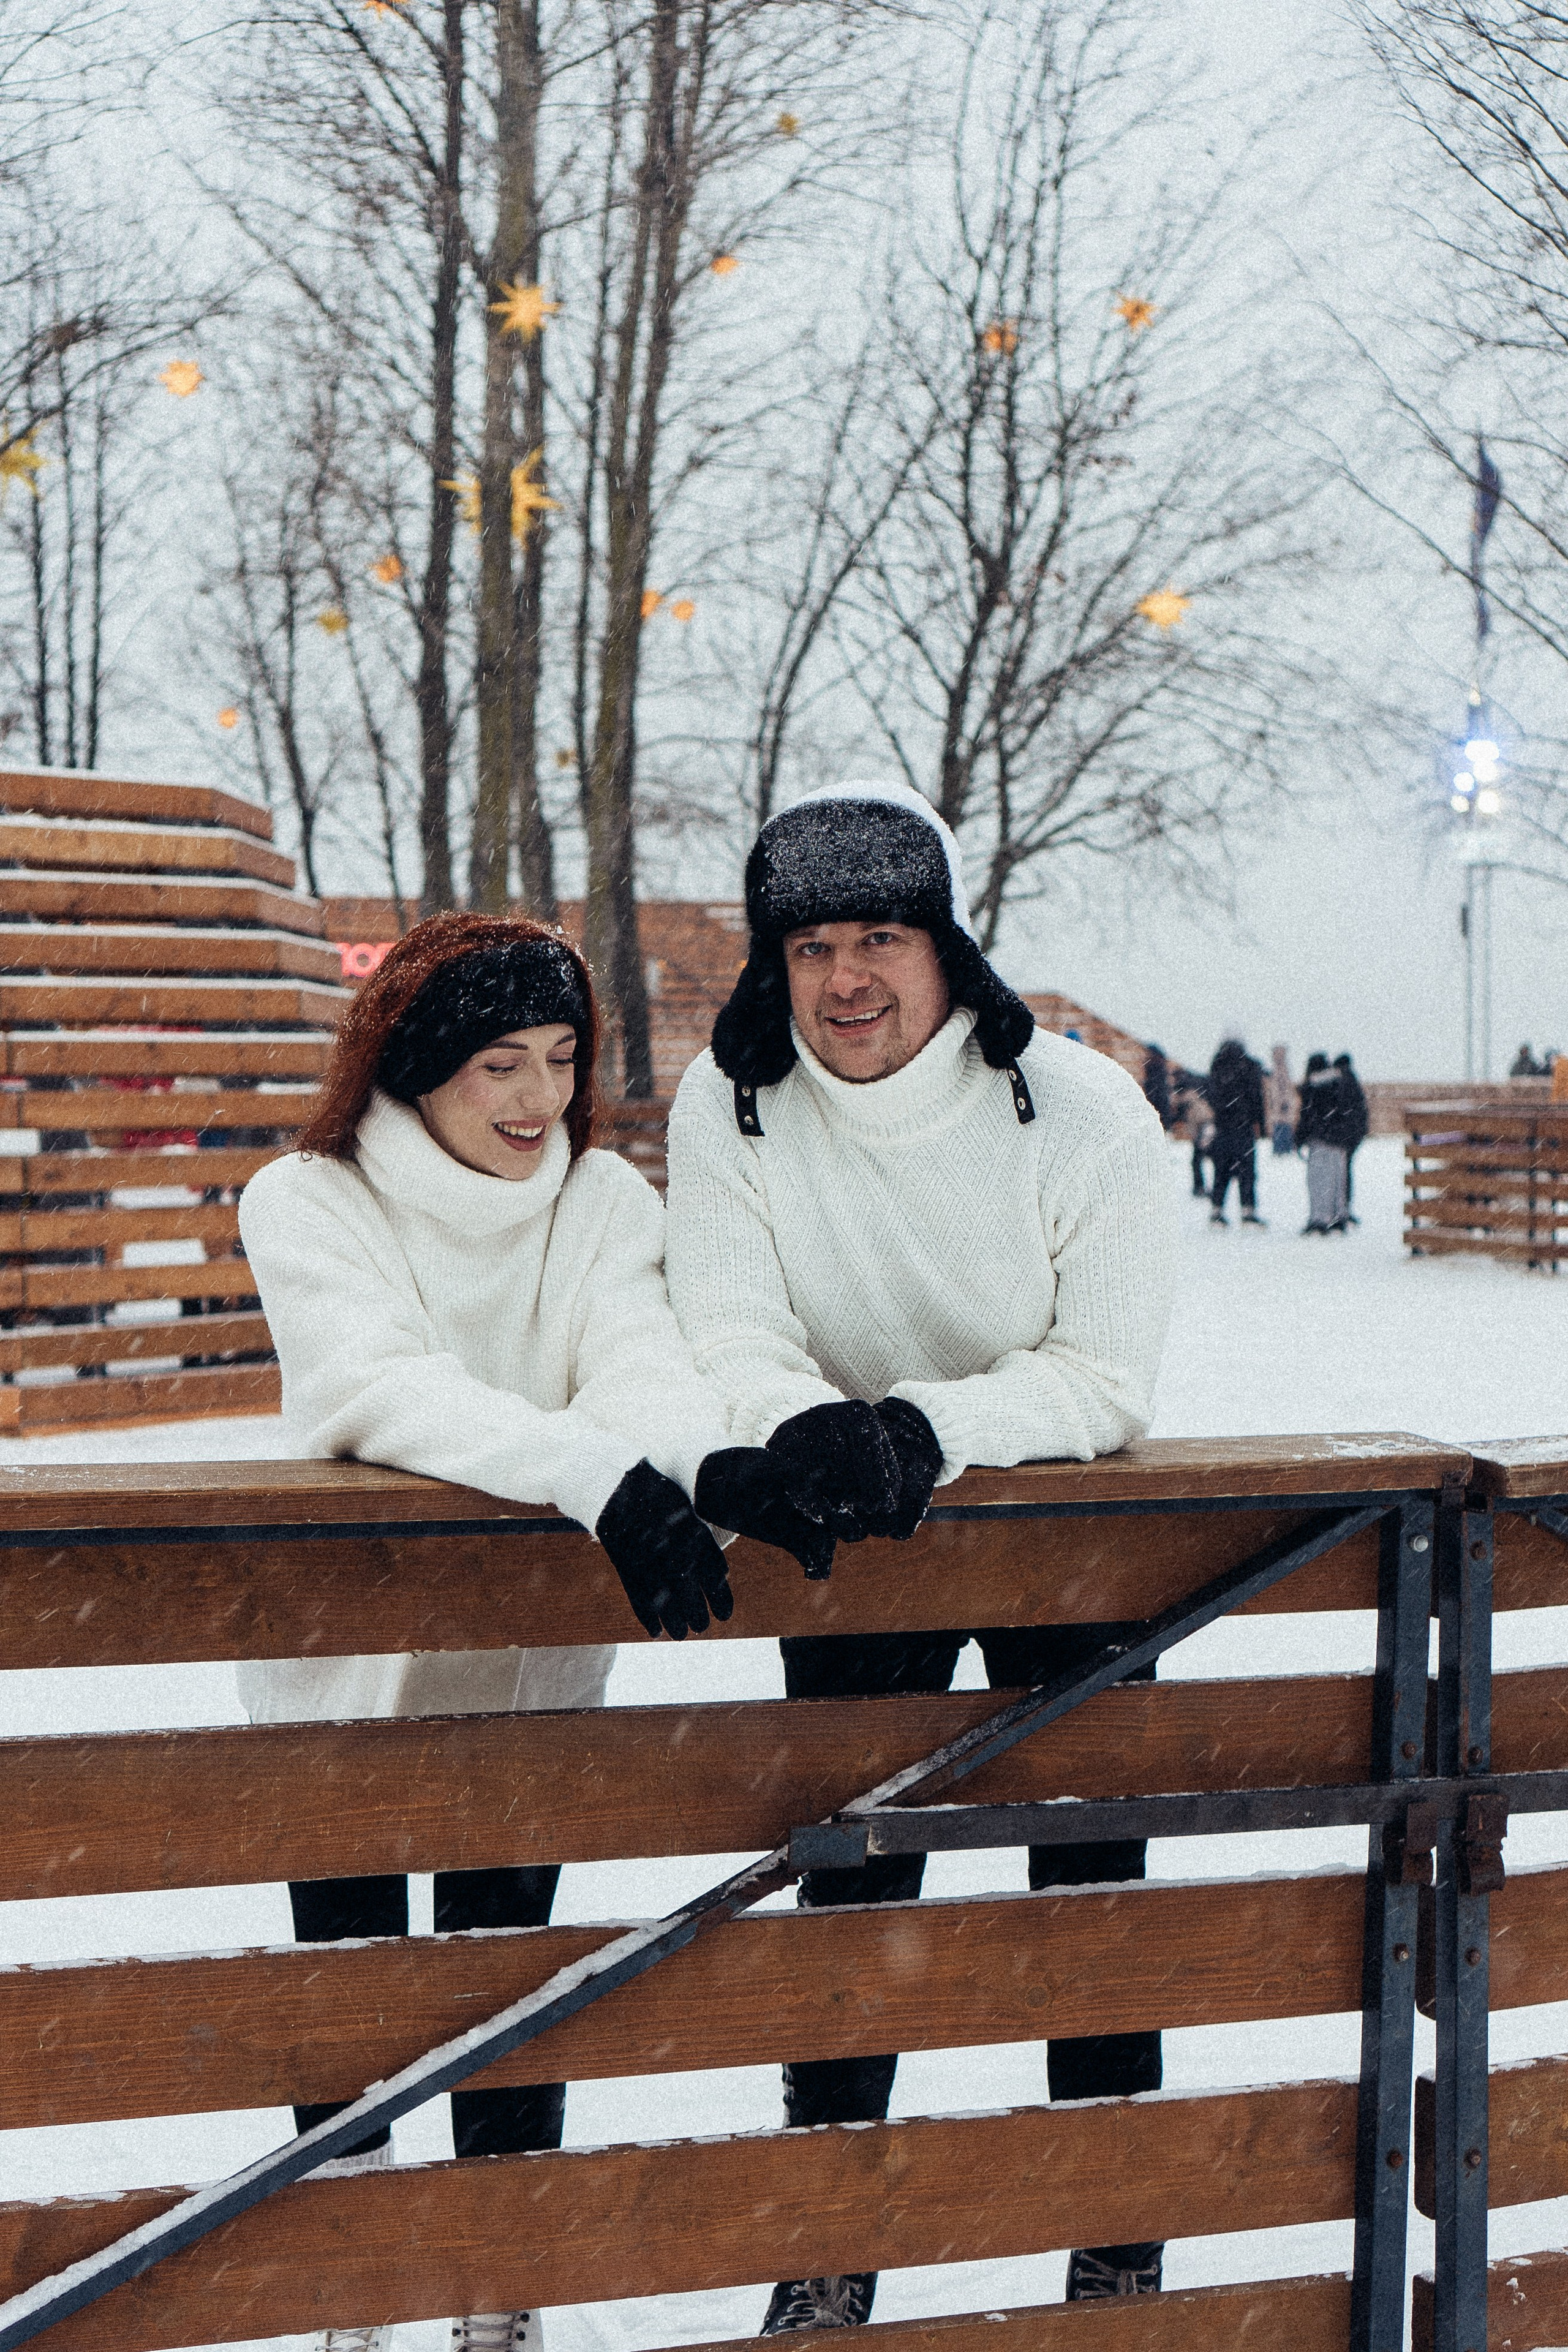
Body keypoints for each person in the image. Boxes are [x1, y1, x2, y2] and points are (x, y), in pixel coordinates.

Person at [238, 911, 827, 2352]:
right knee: (356, 1992)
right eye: (499, 1062)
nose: (535, 1099)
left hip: (524, 1677)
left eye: (561, 1059)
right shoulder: (307, 1198)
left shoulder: (601, 1205)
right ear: (420, 1064)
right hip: (345, 1681)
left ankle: (499, 2294)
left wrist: (706, 1466)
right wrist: (591, 1474)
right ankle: (353, 2294)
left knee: (513, 1982)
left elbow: (635, 1362)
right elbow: (374, 1386)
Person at [664, 778, 1178, 2324]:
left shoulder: (1083, 1112)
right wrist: (802, 1427)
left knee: (1083, 1890)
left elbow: (1102, 1372)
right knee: (843, 1884)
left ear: (946, 946)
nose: (846, 979)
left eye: (880, 934)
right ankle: (826, 2240)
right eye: (810, 943)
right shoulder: (731, 1099)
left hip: (1059, 1537)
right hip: (848, 1544)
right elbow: (730, 1321)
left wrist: (922, 1427)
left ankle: (1112, 2236)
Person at [1205, 1037, 1266, 1226]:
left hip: (1223, 1127)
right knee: (1247, 1172)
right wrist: (1260, 1123)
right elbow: (1257, 1098)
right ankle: (1248, 1211)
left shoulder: (1218, 1066)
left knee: (1221, 1171)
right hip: (1244, 1127)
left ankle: (1217, 1210)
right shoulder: (1249, 1066)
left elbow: (1211, 1095)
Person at [1295, 1051, 1349, 1233]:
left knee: (1318, 1182)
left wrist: (1299, 1138)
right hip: (1339, 1140)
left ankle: (1319, 1219)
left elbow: (1307, 1116)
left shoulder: (1312, 1087)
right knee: (1337, 1181)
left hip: (1319, 1140)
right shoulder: (1340, 1083)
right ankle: (1338, 1216)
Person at [1333, 1051, 1369, 1225]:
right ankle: (1345, 1207)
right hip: (1354, 1133)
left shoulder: (1342, 1081)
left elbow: (1341, 1109)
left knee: (1341, 1171)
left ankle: (1341, 1208)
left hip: (1345, 1135)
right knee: (1345, 1171)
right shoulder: (1353, 1080)